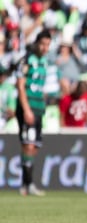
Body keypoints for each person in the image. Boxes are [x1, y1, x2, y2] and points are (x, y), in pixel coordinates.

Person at [15, 29, 51, 196]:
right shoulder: (26, 60)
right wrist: (27, 109)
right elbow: (20, 86)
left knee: (34, 146)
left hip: (39, 108)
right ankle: (28, 184)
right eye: (43, 44)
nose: (45, 48)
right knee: (28, 145)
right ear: (37, 43)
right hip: (27, 107)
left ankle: (25, 184)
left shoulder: (45, 61)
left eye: (48, 45)